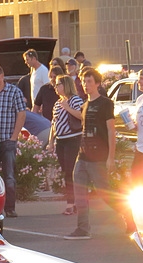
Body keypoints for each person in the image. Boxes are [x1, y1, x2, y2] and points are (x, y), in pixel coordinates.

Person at [64, 68, 117, 240]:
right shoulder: (84, 105)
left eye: (89, 81)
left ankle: (129, 215)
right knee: (79, 194)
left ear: (97, 83)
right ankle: (83, 228)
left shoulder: (106, 103)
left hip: (99, 157)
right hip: (83, 156)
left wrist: (110, 157)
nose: (86, 85)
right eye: (84, 81)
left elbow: (111, 130)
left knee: (105, 193)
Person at [0, 64, 27, 218]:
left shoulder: (13, 91)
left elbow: (21, 114)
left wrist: (14, 137)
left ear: (2, 76)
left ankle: (10, 208)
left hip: (8, 139)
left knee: (9, 176)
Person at [48, 74, 84, 215]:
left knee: (71, 171)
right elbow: (54, 123)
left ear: (66, 85)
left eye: (59, 84)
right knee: (66, 172)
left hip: (73, 139)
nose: (56, 87)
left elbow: (81, 115)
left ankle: (72, 203)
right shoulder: (57, 103)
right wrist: (51, 141)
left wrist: (68, 108)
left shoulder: (75, 100)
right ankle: (72, 201)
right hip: (61, 140)